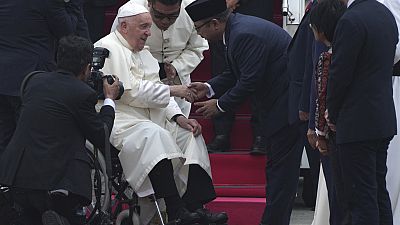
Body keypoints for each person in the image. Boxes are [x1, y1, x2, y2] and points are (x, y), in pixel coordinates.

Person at [94, 2, 228, 224]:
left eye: (149, 27)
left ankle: (196, 208)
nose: (150, 32)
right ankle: (176, 212)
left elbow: (159, 92)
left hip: (151, 118)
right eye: (144, 27)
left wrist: (179, 117)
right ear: (124, 26)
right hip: (123, 120)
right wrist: (174, 89)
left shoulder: (144, 53)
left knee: (189, 134)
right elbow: (130, 91)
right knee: (154, 135)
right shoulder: (106, 48)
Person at [185, 0, 305, 224]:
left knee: (281, 175)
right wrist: (209, 87)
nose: (199, 34)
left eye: (199, 28)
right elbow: (235, 72)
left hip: (285, 108)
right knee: (277, 172)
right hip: (277, 106)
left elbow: (249, 80)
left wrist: (220, 105)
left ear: (214, 23)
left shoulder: (243, 35)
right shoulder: (234, 30)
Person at [0, 35, 120, 225]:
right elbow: (101, 134)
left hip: (17, 177)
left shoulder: (33, 80)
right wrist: (109, 100)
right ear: (87, 68)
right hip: (57, 185)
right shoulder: (82, 93)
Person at [0, 0, 90, 223]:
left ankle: (8, 204)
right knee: (33, 146)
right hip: (32, 81)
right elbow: (69, 31)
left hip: (3, 79)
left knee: (5, 142)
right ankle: (32, 208)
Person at [325, 0, 398, 224]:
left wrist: (332, 113)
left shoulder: (350, 20)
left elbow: (340, 75)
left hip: (356, 121)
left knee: (360, 198)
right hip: (382, 116)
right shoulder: (385, 15)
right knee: (378, 193)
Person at [110, 0, 208, 118]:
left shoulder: (192, 9)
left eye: (172, 16)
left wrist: (177, 67)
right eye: (159, 16)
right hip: (141, 79)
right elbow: (119, 46)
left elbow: (197, 47)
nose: (165, 21)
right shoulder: (131, 11)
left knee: (178, 126)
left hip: (178, 78)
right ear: (150, 3)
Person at [206, 0, 274, 154]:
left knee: (256, 64)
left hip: (255, 6)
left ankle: (261, 134)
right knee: (221, 61)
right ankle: (221, 132)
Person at [305, 1, 347, 224]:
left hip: (334, 130)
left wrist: (317, 130)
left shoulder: (327, 58)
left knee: (338, 194)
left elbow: (322, 94)